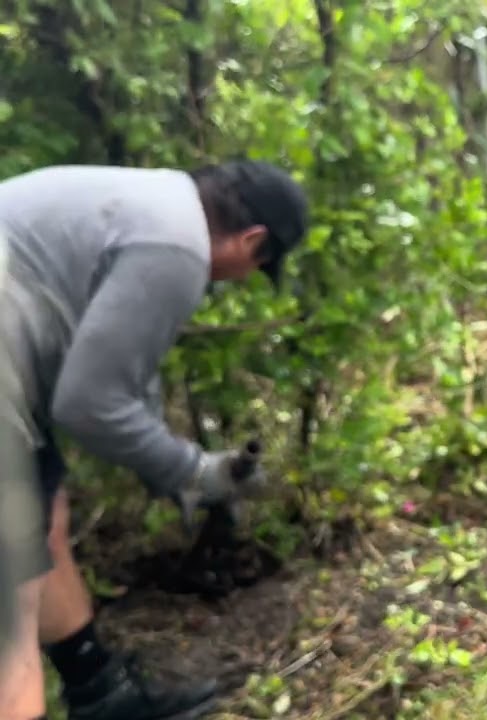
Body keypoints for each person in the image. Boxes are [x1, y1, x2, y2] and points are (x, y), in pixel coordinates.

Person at [0, 160, 309, 720]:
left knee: (46, 520)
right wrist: (192, 472)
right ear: (252, 239)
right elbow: (89, 403)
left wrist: (174, 470)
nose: (241, 278)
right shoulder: (178, 247)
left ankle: (98, 693)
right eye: (257, 265)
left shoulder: (157, 206)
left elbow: (125, 377)